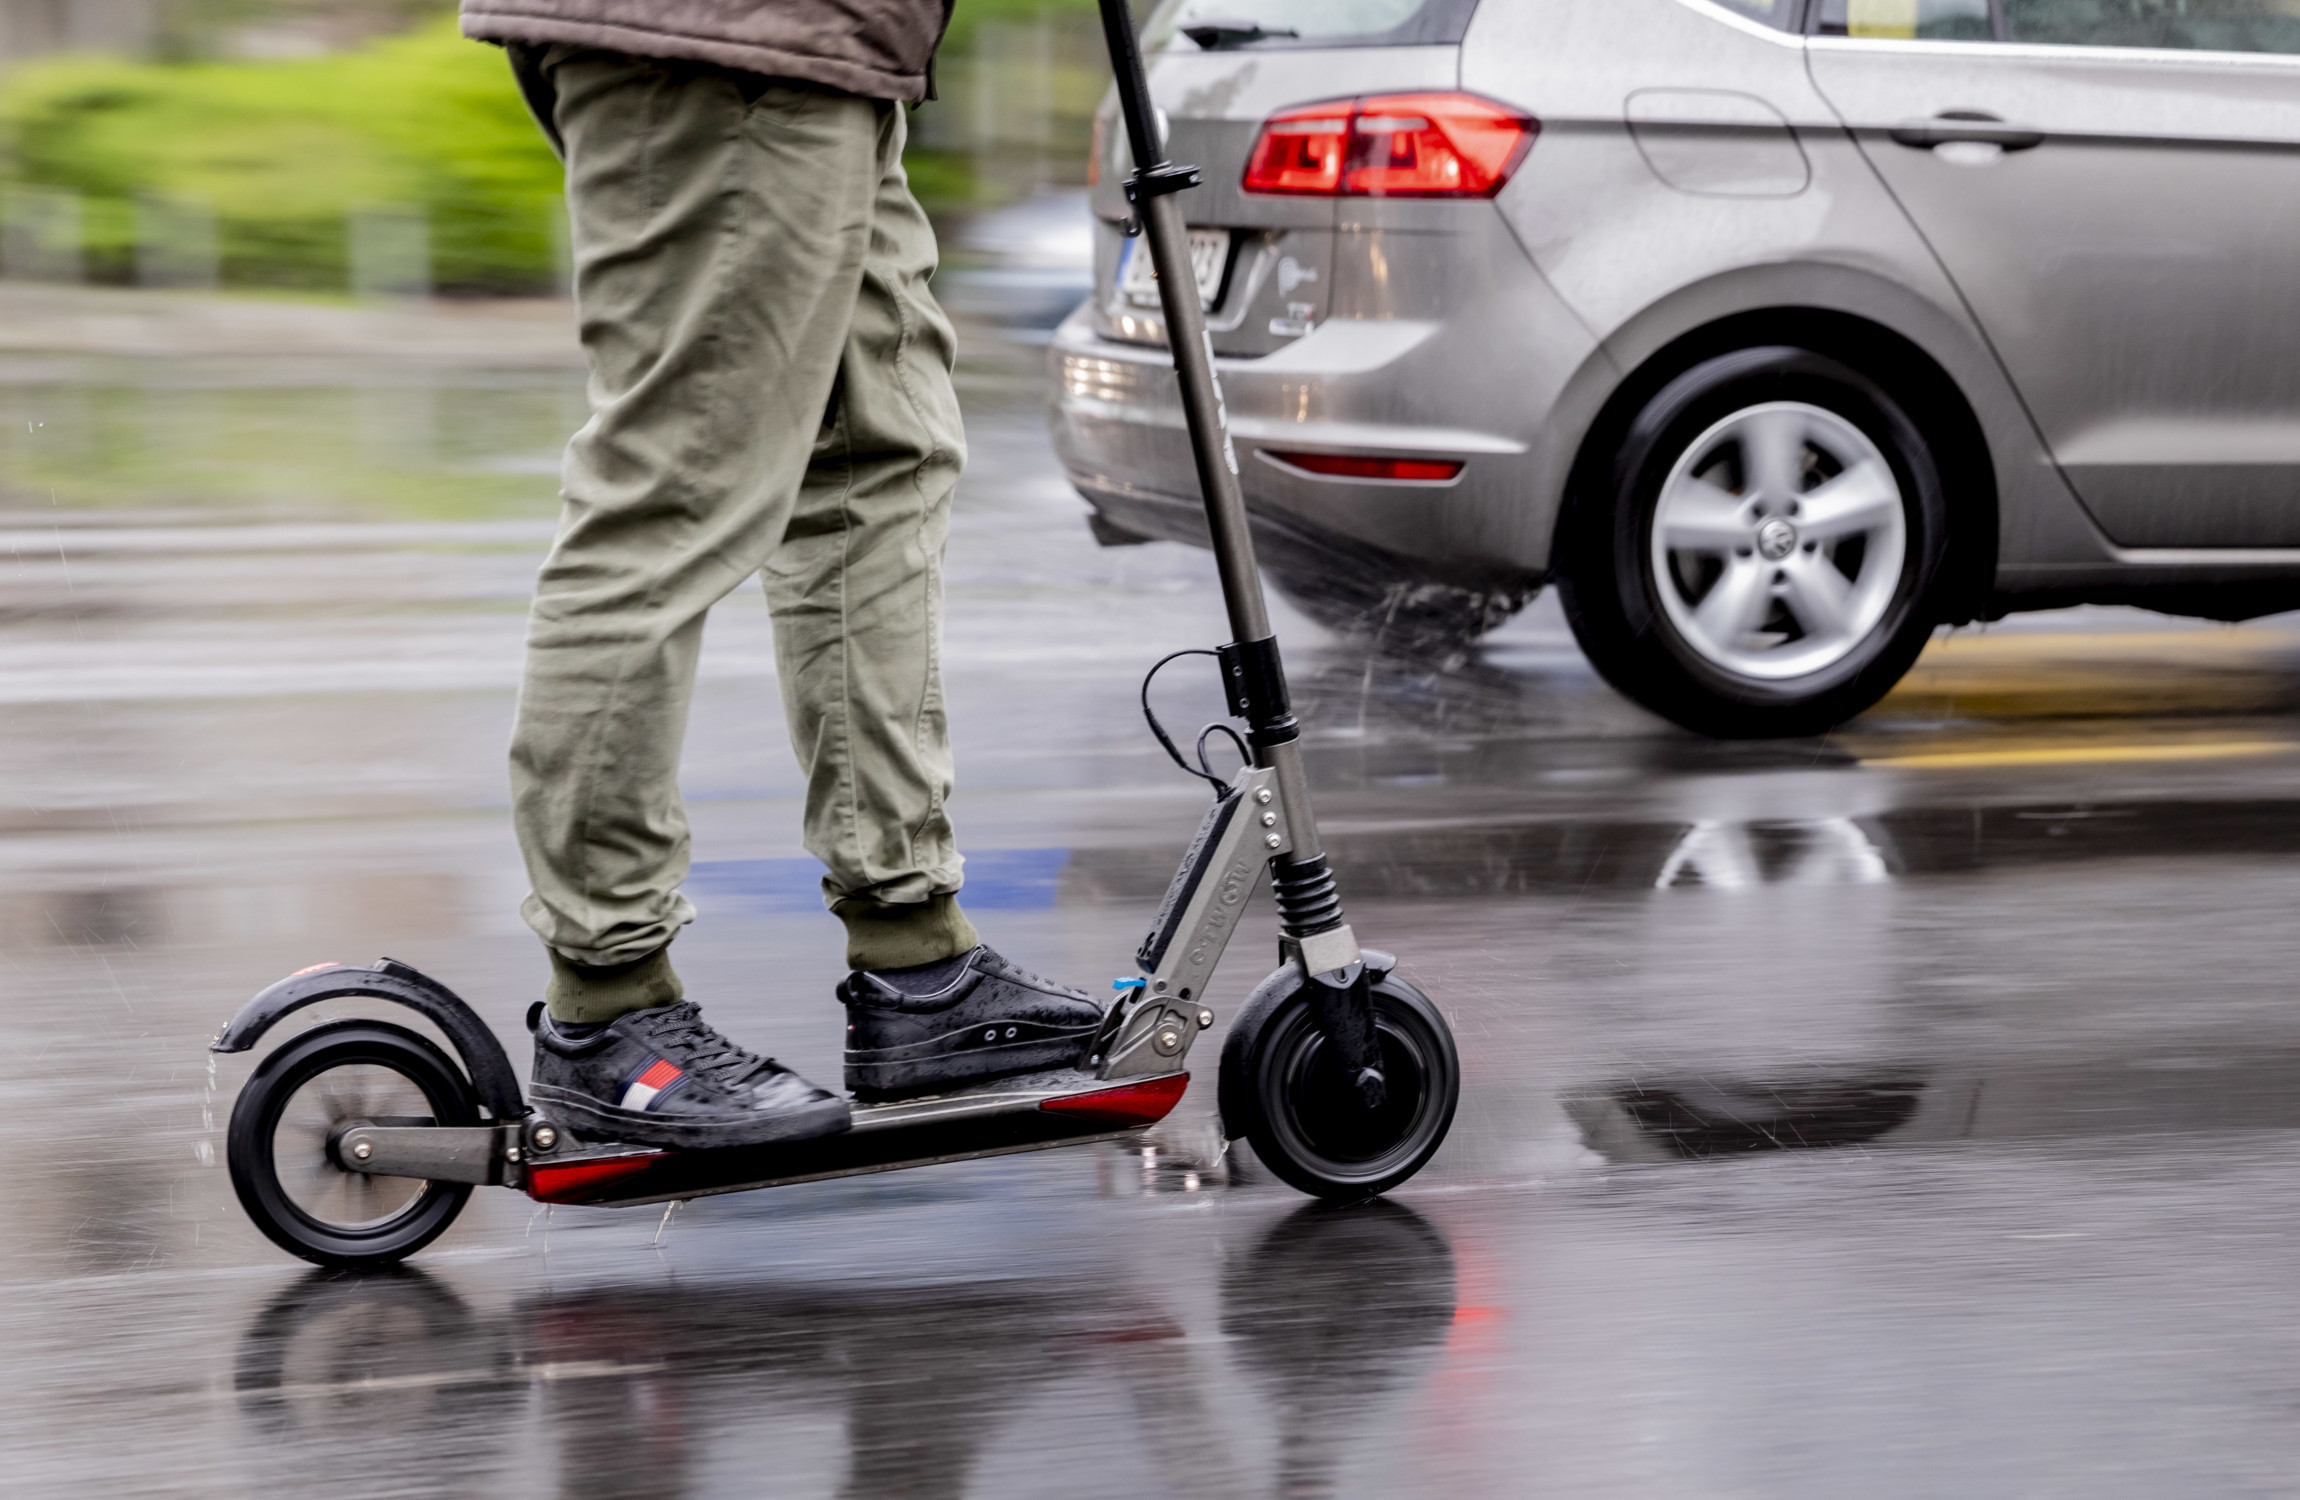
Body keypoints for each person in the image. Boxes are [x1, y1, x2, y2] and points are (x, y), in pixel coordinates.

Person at [458, 0, 1105, 1149]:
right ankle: (608, 1009)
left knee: (878, 458)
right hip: (722, 37)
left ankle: (916, 962)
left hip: (832, 45)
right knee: (674, 489)